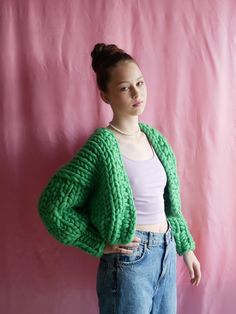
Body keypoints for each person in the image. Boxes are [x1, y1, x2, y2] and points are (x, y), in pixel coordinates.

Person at [38, 43, 201, 314]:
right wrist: (96, 243)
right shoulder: (102, 145)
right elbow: (53, 205)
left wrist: (186, 249)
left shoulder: (156, 140)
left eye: (140, 83)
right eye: (125, 87)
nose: (137, 93)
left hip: (167, 253)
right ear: (105, 95)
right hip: (130, 262)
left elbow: (170, 206)